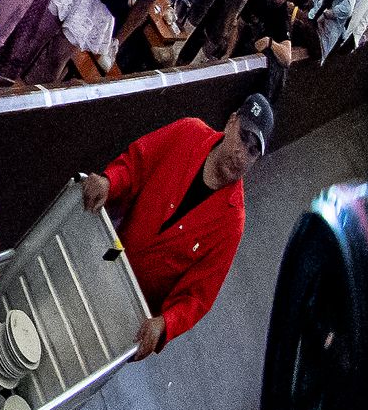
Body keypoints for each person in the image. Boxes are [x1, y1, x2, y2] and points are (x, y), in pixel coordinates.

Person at [81, 93, 274, 359]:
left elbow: (198, 297)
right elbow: (138, 162)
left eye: (253, 151)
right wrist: (110, 181)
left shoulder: (232, 223)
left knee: (90, 353)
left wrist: (165, 323)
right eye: (243, 137)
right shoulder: (188, 132)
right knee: (75, 298)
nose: (242, 155)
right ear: (231, 122)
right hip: (114, 252)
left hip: (134, 307)